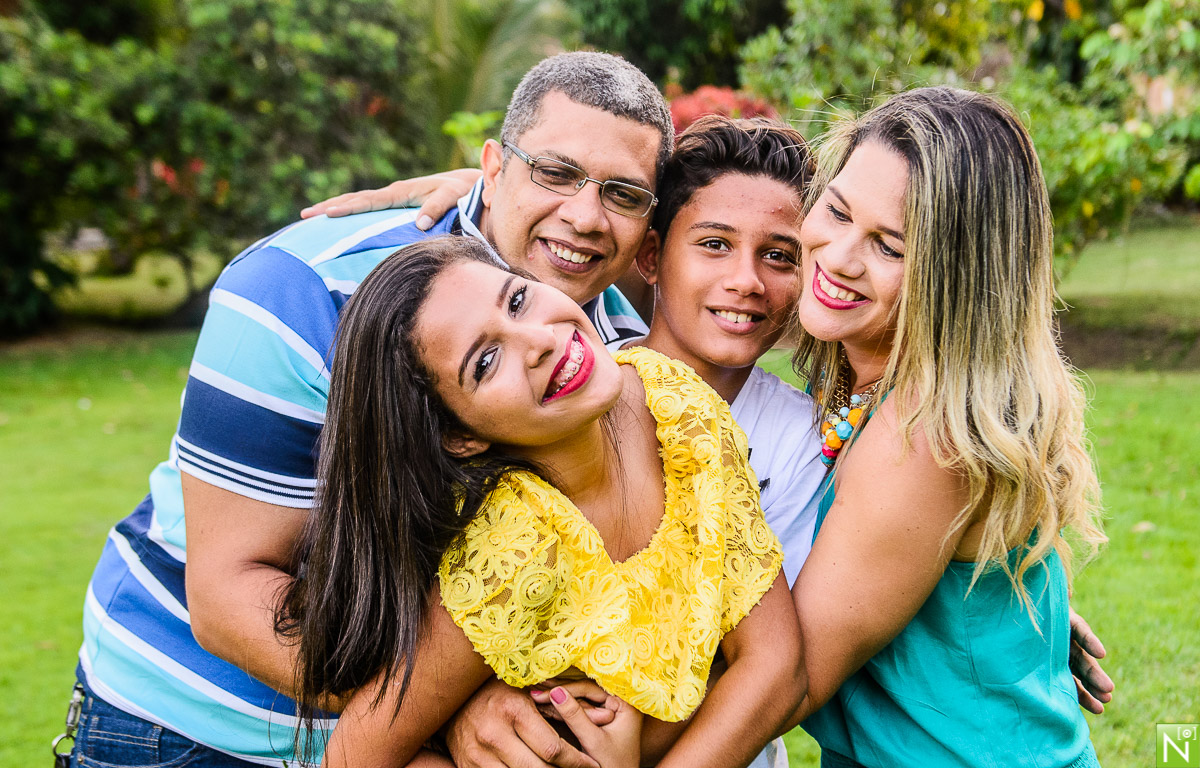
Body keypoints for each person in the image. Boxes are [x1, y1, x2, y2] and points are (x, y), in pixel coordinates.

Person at [66, 52, 676, 768]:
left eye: (623, 194)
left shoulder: (611, 350)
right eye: (555, 172)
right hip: (196, 731)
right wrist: (442, 712)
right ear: (494, 165)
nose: (584, 215)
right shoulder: (298, 292)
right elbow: (230, 597)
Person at [279, 235, 803, 768]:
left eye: (517, 301)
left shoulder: (682, 412)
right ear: (461, 438)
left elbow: (776, 664)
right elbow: (353, 758)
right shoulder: (512, 548)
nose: (539, 341)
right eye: (485, 362)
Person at [777, 86, 1107, 766]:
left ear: (955, 278)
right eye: (835, 210)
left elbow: (789, 680)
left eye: (889, 246)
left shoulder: (922, 438)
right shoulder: (892, 390)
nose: (837, 257)